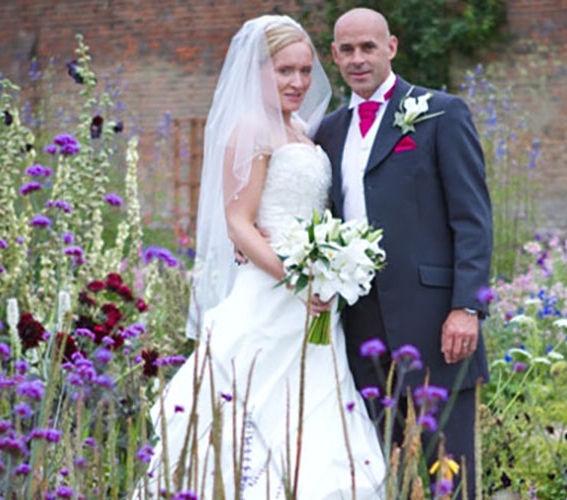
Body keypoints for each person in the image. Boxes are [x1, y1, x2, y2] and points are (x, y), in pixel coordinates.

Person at [135, 15, 385, 500]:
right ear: (258, 73)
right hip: (274, 298)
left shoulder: (302, 131)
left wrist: (330, 268)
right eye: (284, 71)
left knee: (317, 414)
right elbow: (238, 223)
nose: (297, 82)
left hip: (314, 305)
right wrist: (298, 279)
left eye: (305, 71)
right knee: (248, 418)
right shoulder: (250, 128)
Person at [314, 7, 493, 497]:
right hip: (359, 324)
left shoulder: (441, 112)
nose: (357, 59)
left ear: (391, 47)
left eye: (367, 47)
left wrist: (467, 306)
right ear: (333, 55)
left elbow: (473, 219)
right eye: (346, 49)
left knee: (447, 460)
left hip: (436, 319)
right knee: (382, 457)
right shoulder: (328, 131)